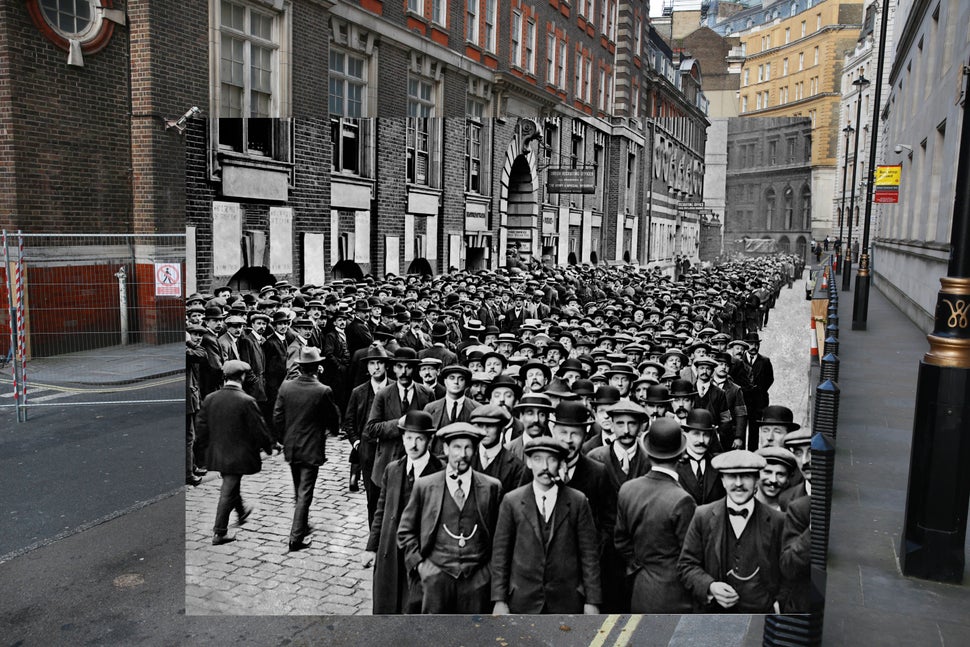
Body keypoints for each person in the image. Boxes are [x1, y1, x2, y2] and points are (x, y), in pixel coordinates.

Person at [397, 422, 502, 614]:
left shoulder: (491, 487)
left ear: (475, 450)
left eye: (468, 447)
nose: (462, 454)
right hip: (436, 579)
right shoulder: (425, 486)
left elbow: (501, 537)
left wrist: (488, 572)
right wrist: (421, 566)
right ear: (445, 448)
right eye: (456, 447)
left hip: (477, 581)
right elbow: (405, 531)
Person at [490, 437, 601, 614]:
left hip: (567, 601)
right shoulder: (512, 501)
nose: (544, 467)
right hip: (522, 601)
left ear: (561, 463)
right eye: (537, 459)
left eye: (552, 460)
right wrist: (499, 600)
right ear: (528, 462)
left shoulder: (577, 501)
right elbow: (500, 555)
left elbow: (589, 555)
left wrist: (592, 601)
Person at [678, 450, 785, 613]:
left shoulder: (779, 521)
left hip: (761, 617)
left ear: (757, 479)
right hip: (714, 618)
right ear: (722, 480)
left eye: (746, 476)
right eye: (731, 476)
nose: (739, 483)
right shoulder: (703, 516)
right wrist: (710, 586)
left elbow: (791, 572)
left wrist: (779, 604)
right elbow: (686, 565)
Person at [363, 410, 443, 614]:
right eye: (408, 438)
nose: (413, 444)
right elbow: (381, 510)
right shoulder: (392, 469)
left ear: (429, 440)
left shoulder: (441, 471)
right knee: (387, 607)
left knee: (415, 608)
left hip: (421, 553)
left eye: (419, 438)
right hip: (391, 550)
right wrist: (372, 547)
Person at [615, 417, 697, 613]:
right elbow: (691, 557)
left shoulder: (628, 489)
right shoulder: (683, 500)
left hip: (641, 590)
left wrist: (641, 566)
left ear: (647, 451)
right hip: (675, 596)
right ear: (682, 453)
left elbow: (620, 542)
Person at [195, 360, 275, 546]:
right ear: (243, 377)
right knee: (228, 489)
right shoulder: (246, 401)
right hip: (237, 455)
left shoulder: (210, 398)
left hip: (217, 453)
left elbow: (201, 429)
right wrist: (269, 447)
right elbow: (259, 429)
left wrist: (207, 450)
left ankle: (241, 511)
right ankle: (220, 532)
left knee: (231, 484)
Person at [273, 346, 340, 552]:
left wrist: (283, 438)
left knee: (298, 489)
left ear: (300, 367)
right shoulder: (322, 390)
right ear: (317, 367)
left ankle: (302, 524)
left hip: (292, 447)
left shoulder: (286, 387)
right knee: (305, 493)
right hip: (311, 448)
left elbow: (277, 417)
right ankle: (296, 538)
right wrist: (333, 430)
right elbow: (333, 418)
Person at [345, 345, 392, 523]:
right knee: (372, 498)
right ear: (367, 367)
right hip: (368, 451)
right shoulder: (359, 392)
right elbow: (348, 421)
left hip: (390, 449)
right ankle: (374, 536)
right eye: (372, 363)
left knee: (391, 495)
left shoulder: (394, 388)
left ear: (386, 365)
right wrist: (357, 443)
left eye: (380, 363)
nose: (376, 367)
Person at [470, 404, 526, 497]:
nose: (484, 431)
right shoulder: (466, 458)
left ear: (502, 428)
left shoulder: (516, 467)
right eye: (480, 425)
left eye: (490, 425)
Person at [675, 408, 727, 506]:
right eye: (696, 434)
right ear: (685, 434)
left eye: (706, 435)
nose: (701, 440)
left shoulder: (719, 466)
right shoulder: (674, 466)